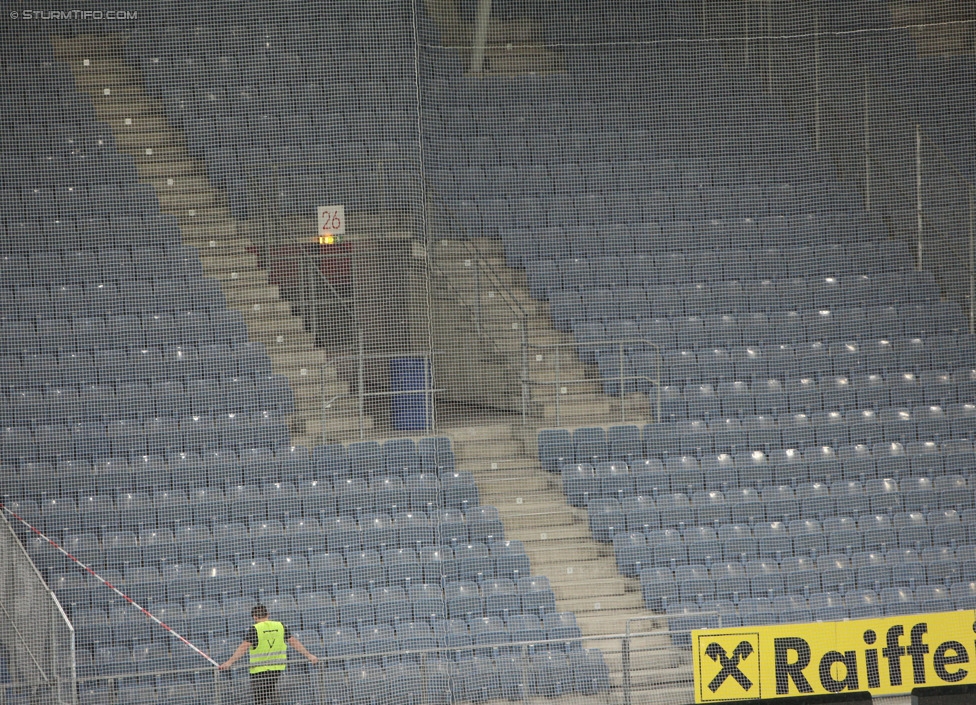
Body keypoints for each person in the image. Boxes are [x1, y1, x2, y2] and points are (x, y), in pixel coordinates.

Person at [219, 604, 319, 705]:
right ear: (268, 614)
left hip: (259, 670)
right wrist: (309, 655)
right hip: (276, 668)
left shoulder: (255, 629)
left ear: (255, 617)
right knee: (269, 693)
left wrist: (229, 662)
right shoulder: (280, 625)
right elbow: (293, 641)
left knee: (260, 699)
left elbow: (243, 647)